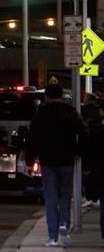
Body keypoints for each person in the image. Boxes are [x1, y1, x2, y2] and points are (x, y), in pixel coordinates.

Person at [27, 84, 88, 247]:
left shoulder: (41, 114)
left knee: (51, 197)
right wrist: (78, 151)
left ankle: (52, 236)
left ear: (46, 96)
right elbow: (83, 132)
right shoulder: (70, 112)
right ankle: (64, 224)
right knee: (65, 194)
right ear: (61, 96)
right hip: (67, 159)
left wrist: (29, 161)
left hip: (47, 161)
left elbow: (32, 138)